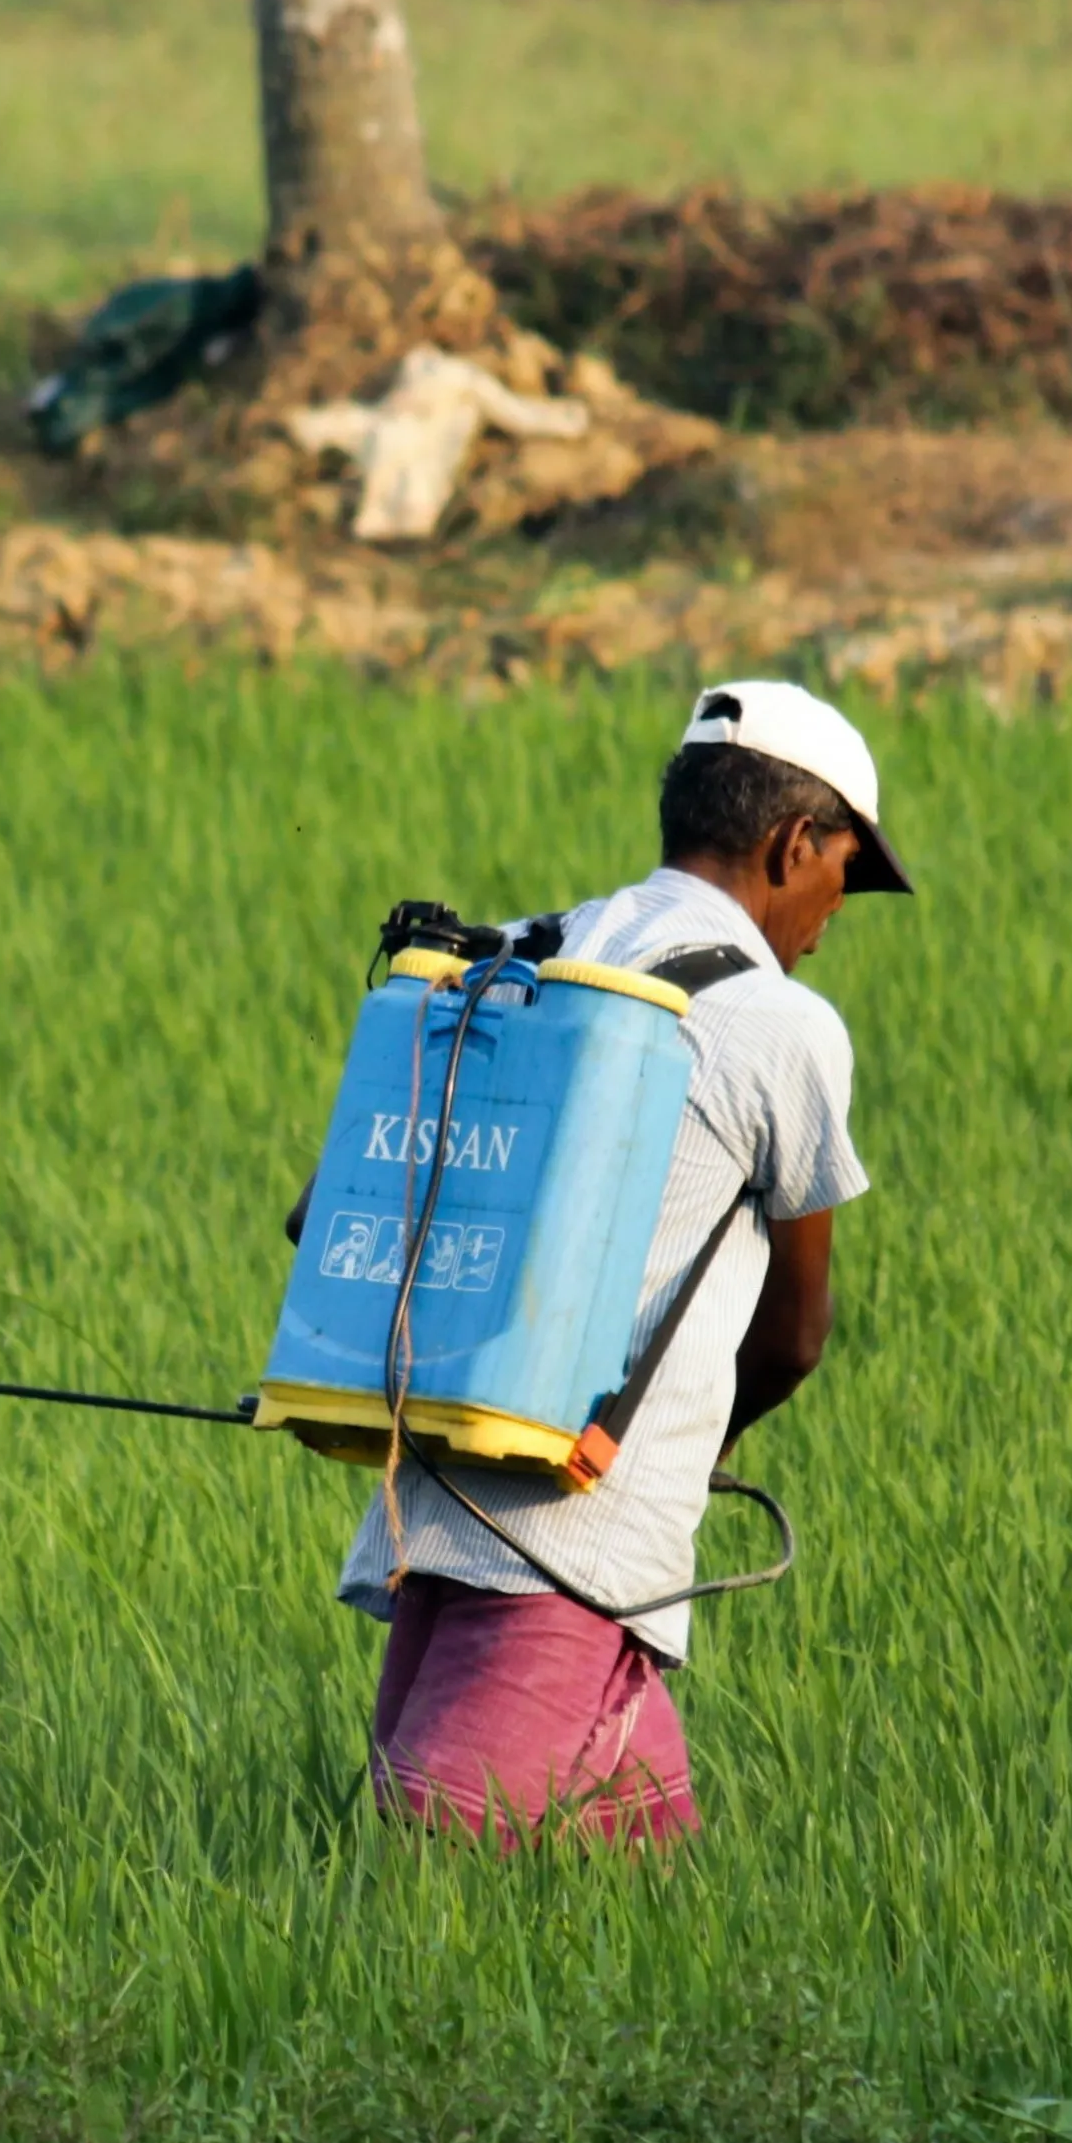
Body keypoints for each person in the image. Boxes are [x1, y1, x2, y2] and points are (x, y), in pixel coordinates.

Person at [337, 680, 913, 1847]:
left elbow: (334, 1205)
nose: (833, 909)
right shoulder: (780, 1022)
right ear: (790, 841)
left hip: (439, 1506)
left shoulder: (523, 951)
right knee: (432, 1876)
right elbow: (797, 1333)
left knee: (638, 1919)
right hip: (579, 1545)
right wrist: (711, 1444)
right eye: (844, 871)